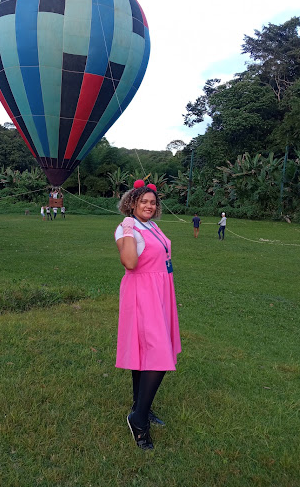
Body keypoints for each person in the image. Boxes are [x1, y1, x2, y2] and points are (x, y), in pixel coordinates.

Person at [115, 180, 181, 450]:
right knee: (158, 353)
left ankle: (140, 405)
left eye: (153, 202)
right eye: (143, 201)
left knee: (145, 351)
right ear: (132, 203)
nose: (149, 206)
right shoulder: (126, 227)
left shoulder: (152, 225)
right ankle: (138, 419)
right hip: (141, 293)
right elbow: (130, 262)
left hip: (160, 291)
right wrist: (127, 229)